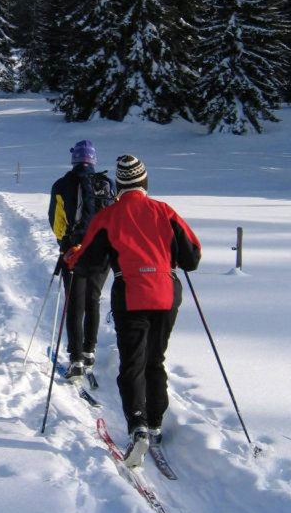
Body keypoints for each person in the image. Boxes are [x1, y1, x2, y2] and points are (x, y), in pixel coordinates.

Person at [64, 154, 201, 467]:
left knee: (132, 362)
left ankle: (137, 424)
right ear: (144, 181)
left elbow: (88, 263)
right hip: (166, 293)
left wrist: (70, 257)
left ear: (119, 184)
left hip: (131, 293)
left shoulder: (109, 216)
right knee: (156, 359)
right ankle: (155, 423)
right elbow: (192, 256)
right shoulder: (164, 211)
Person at [48, 140, 115, 381]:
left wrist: (63, 243)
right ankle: (89, 351)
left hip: (74, 252)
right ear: (93, 160)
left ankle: (75, 358)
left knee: (74, 303)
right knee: (93, 300)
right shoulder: (107, 184)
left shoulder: (62, 184)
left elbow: (56, 220)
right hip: (102, 253)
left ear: (74, 160)